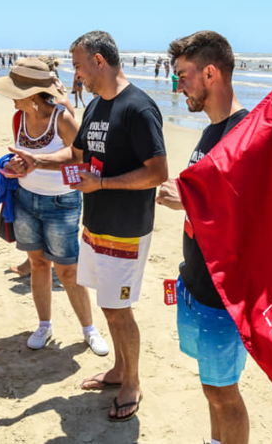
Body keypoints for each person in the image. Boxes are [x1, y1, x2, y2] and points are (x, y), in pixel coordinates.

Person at [9, 30, 167, 422]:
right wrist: (36, 161)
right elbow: (76, 155)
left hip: (127, 228)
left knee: (118, 308)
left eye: (78, 65)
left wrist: (104, 183)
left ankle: (132, 382)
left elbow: (158, 172)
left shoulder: (138, 108)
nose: (75, 74)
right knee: (108, 306)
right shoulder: (96, 108)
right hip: (95, 225)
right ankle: (118, 370)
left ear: (99, 60)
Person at [157, 30, 251, 444]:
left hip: (221, 296)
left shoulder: (244, 133)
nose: (178, 85)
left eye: (183, 75)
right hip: (195, 283)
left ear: (210, 73)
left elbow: (253, 219)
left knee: (224, 393)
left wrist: (190, 203)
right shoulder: (212, 130)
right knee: (211, 389)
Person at [0, 58, 109, 356]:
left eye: (14, 91)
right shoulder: (18, 118)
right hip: (25, 199)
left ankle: (88, 329)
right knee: (38, 265)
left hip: (61, 202)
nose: (10, 97)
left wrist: (36, 163)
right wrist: (18, 165)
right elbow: (24, 154)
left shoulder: (63, 119)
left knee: (68, 272)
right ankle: (44, 324)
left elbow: (81, 158)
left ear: (31, 94)